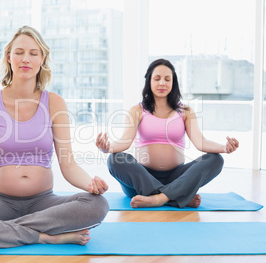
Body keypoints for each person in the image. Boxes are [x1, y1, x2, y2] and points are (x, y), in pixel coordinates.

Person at [0, 26, 109, 248]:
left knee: (98, 205)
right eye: (19, 52)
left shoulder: (54, 103)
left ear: (42, 59)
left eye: (34, 53)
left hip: (45, 203)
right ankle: (42, 235)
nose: (26, 59)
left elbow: (69, 165)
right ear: (9, 57)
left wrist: (90, 184)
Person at [96, 58, 239, 209]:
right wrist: (108, 148)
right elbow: (125, 141)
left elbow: (200, 142)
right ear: (149, 81)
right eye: (157, 78)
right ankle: (176, 197)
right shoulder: (137, 110)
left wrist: (224, 148)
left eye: (167, 79)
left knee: (215, 160)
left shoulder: (185, 111)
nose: (162, 83)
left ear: (173, 83)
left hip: (177, 177)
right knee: (114, 159)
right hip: (142, 179)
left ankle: (159, 198)